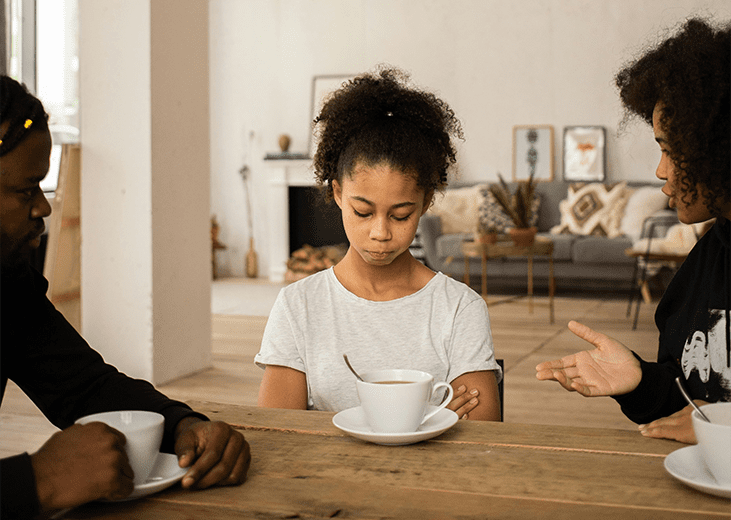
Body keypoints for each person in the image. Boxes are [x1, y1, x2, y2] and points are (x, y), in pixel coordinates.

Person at [0, 75, 251, 518]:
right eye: (25, 190)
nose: (43, 207)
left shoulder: (7, 285)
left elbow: (82, 386)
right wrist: (36, 481)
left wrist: (183, 425)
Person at [255, 67, 502, 421]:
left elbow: (481, 438)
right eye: (363, 211)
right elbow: (279, 432)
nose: (381, 233)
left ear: (426, 201)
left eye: (401, 215)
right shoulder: (299, 307)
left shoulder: (459, 309)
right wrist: (427, 419)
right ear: (338, 193)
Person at [536, 18, 730, 444]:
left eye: (668, 149)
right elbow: (688, 407)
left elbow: (707, 425)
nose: (660, 171)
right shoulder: (701, 270)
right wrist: (640, 381)